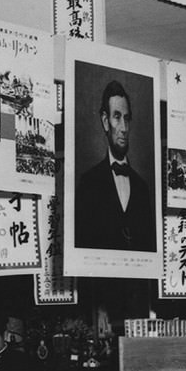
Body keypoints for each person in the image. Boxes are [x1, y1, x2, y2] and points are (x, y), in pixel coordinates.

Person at [73, 79, 156, 252]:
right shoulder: (88, 183)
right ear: (105, 121)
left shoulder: (142, 188)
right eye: (117, 117)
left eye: (127, 119)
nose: (124, 128)